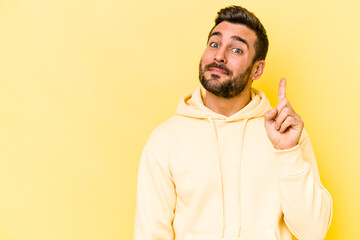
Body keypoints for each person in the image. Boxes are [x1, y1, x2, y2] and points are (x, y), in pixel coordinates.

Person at [134, 5, 332, 240]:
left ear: (257, 69)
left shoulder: (284, 134)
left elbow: (313, 232)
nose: (219, 56)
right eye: (214, 44)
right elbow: (150, 234)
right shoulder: (166, 139)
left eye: (236, 50)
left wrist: (287, 152)